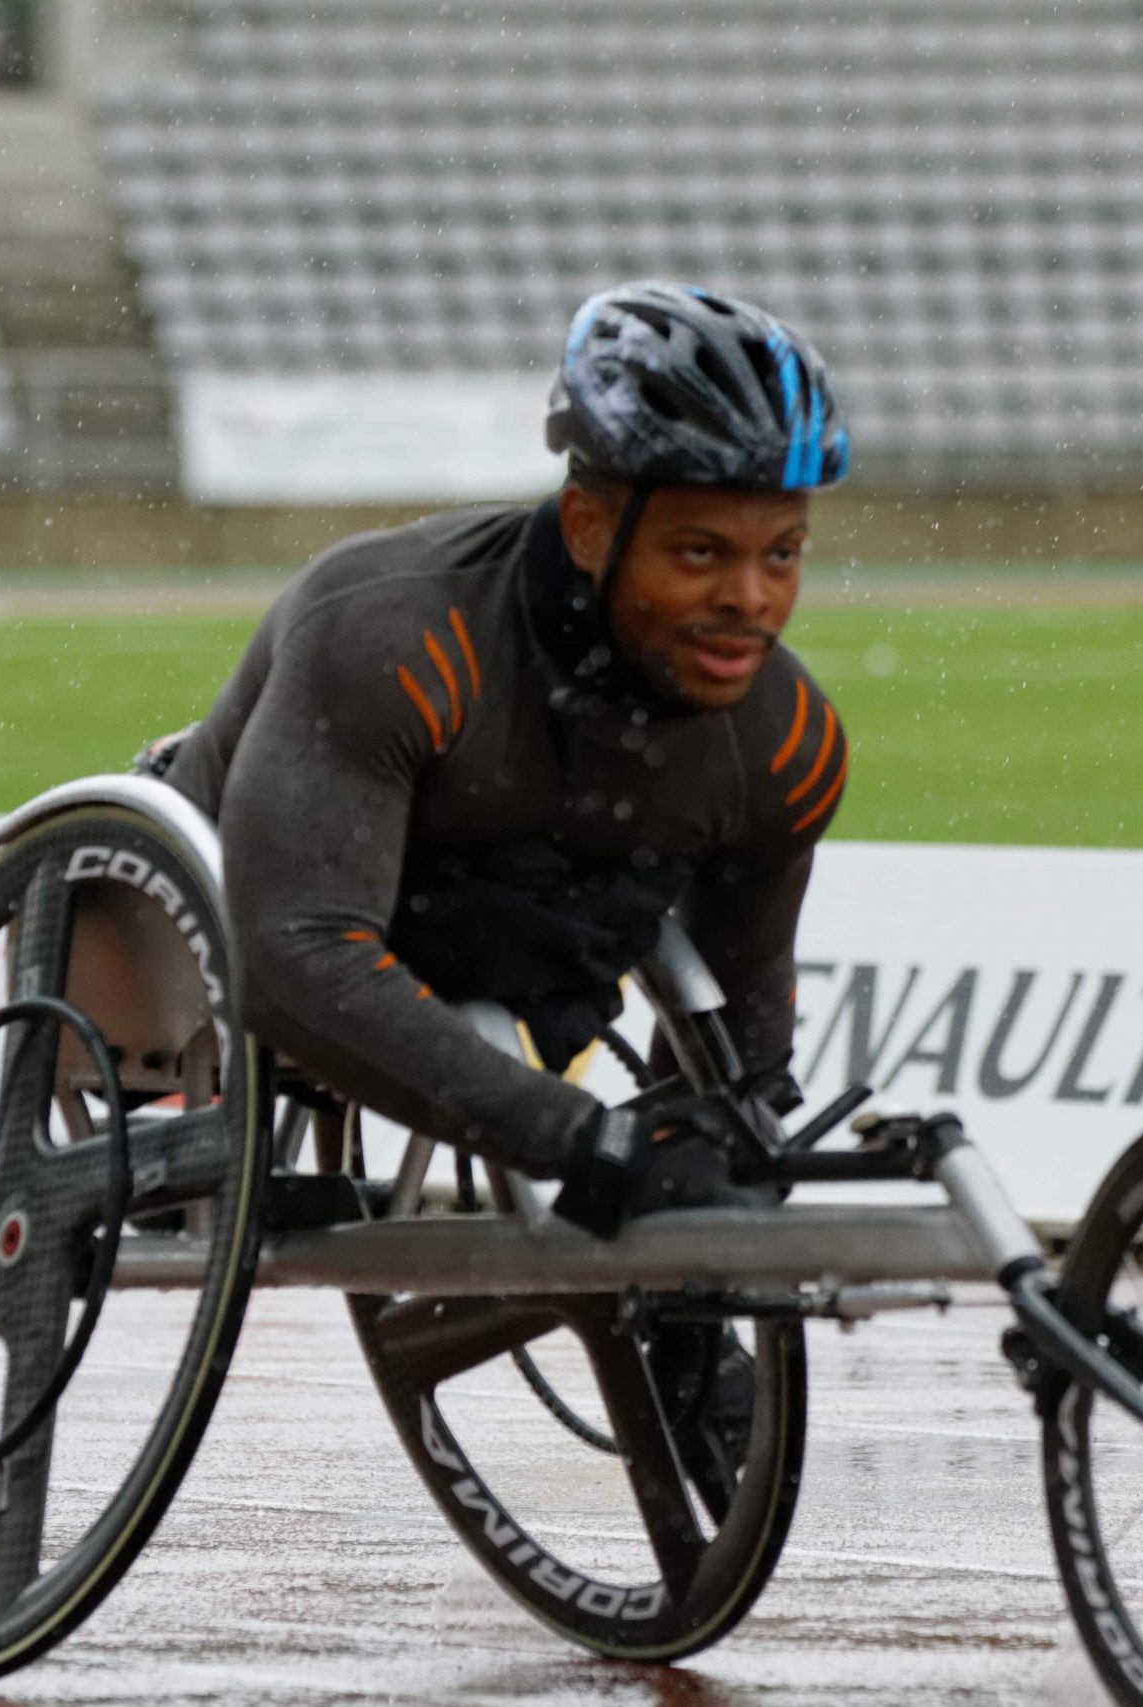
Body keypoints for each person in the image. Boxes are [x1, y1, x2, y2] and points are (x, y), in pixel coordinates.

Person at [152, 282, 854, 1510]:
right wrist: (583, 1145)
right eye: (702, 552)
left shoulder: (784, 744)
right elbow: (294, 958)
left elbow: (740, 1026)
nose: (751, 599)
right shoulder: (392, 635)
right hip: (237, 929)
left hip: (522, 950)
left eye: (779, 552)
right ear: (589, 526)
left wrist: (705, 1203)